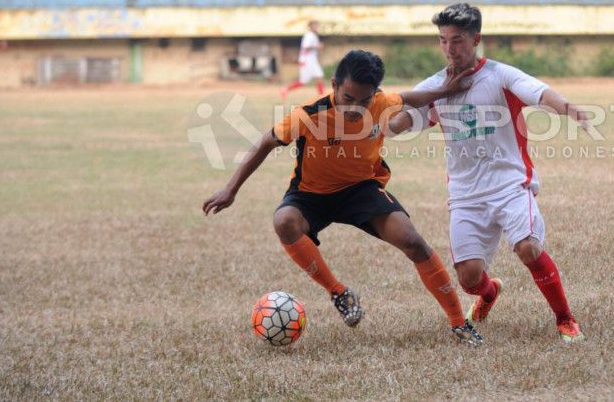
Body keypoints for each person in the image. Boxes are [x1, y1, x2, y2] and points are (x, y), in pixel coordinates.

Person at [204, 50, 484, 345]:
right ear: (335, 85)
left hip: (361, 189)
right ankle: (338, 292)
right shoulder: (307, 115)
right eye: (348, 98)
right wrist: (230, 189)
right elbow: (264, 143)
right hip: (310, 195)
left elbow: (409, 98)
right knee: (284, 221)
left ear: (374, 94)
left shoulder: (381, 103)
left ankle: (458, 323)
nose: (355, 108)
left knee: (413, 241)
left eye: (363, 101)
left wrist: (445, 91)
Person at [389, 3, 587, 342]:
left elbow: (539, 92)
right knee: (468, 278)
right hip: (466, 194)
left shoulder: (500, 75)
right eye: (442, 41)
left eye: (457, 41)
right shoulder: (435, 85)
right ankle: (489, 292)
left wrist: (570, 110)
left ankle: (565, 319)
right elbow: (396, 126)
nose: (449, 50)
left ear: (476, 39)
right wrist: (383, 115)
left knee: (528, 248)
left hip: (510, 184)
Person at [280, 20, 325, 99]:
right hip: (307, 60)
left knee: (307, 80)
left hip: (310, 60)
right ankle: (322, 97)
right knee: (317, 76)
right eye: (314, 25)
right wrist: (317, 46)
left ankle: (285, 89)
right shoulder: (309, 35)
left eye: (317, 25)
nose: (316, 27)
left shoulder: (313, 35)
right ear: (310, 26)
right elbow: (306, 47)